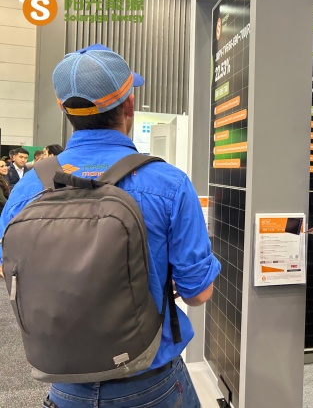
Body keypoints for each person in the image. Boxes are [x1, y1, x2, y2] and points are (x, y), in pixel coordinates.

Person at [0, 44, 220, 407]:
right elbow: (199, 294)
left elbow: (13, 275)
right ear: (129, 105)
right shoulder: (168, 183)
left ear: (64, 108)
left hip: (64, 383)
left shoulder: (27, 189)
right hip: (150, 382)